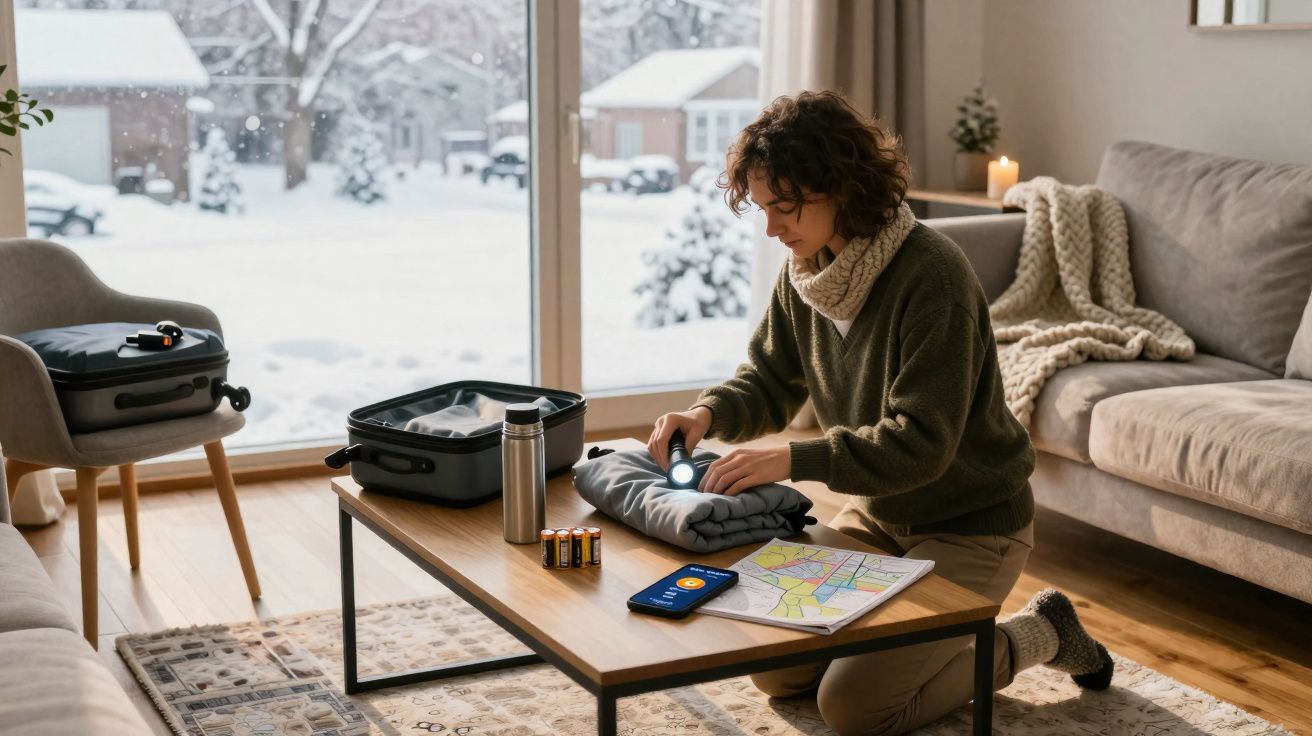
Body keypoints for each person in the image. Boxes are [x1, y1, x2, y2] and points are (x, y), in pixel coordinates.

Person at [646, 90, 1114, 736]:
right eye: (763, 209)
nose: (772, 229)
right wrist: (705, 415)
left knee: (854, 706)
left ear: (839, 184)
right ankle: (891, 639)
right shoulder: (805, 274)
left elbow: (920, 444)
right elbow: (770, 379)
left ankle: (1038, 635)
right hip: (878, 513)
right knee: (778, 671)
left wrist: (792, 457)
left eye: (784, 207)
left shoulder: (932, 277)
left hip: (971, 525)